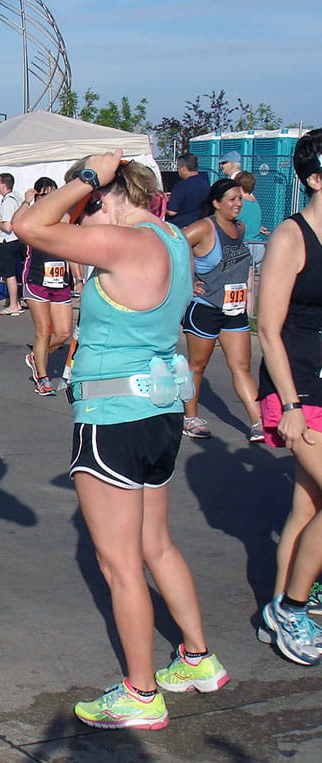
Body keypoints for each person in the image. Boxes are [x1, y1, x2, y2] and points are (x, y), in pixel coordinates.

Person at [15, 149, 229, 731]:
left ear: (102, 195)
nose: (78, 223)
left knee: (120, 565)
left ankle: (140, 692)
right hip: (158, 409)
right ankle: (196, 658)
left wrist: (87, 178)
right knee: (155, 543)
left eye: (83, 208)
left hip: (112, 414)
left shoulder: (125, 242)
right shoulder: (173, 239)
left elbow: (29, 226)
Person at [255, 128, 322, 666]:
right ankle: (295, 606)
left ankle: (276, 609)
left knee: (307, 506)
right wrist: (292, 405)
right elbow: (269, 328)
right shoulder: (291, 237)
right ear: (316, 179)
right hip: (295, 389)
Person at [180, 179, 263, 442]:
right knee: (197, 366)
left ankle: (258, 423)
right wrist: (189, 279)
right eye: (232, 199)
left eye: (240, 198)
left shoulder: (240, 227)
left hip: (234, 310)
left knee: (241, 367)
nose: (238, 204)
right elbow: (175, 244)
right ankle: (190, 418)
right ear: (216, 203)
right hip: (205, 308)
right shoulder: (205, 228)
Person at [15, 177, 74, 396]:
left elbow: (72, 244)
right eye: (44, 194)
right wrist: (26, 202)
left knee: (63, 332)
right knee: (43, 331)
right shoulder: (30, 217)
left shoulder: (63, 216)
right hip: (36, 278)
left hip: (60, 280)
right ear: (38, 195)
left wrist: (78, 278)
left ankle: (36, 358)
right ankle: (42, 376)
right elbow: (15, 225)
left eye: (52, 193)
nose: (49, 198)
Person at [0, 172, 25, 315]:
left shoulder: (9, 201)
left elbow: (7, 226)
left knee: (9, 274)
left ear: (3, 184)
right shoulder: (17, 197)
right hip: (17, 240)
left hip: (8, 241)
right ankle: (15, 302)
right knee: (13, 274)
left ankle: (14, 305)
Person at [165, 153, 210, 230]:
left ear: (183, 168)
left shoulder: (180, 186)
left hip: (180, 227)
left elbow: (172, 212)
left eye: (178, 168)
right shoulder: (206, 184)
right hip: (200, 225)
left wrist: (163, 202)